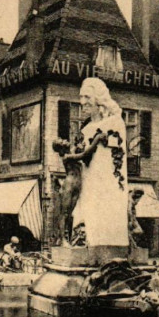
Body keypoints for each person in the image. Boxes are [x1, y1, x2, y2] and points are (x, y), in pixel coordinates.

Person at [63, 78, 129, 248]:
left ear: (99, 98)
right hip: (89, 184)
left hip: (106, 186)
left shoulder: (114, 123)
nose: (82, 102)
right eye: (81, 97)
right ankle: (82, 237)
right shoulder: (86, 128)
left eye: (87, 97)